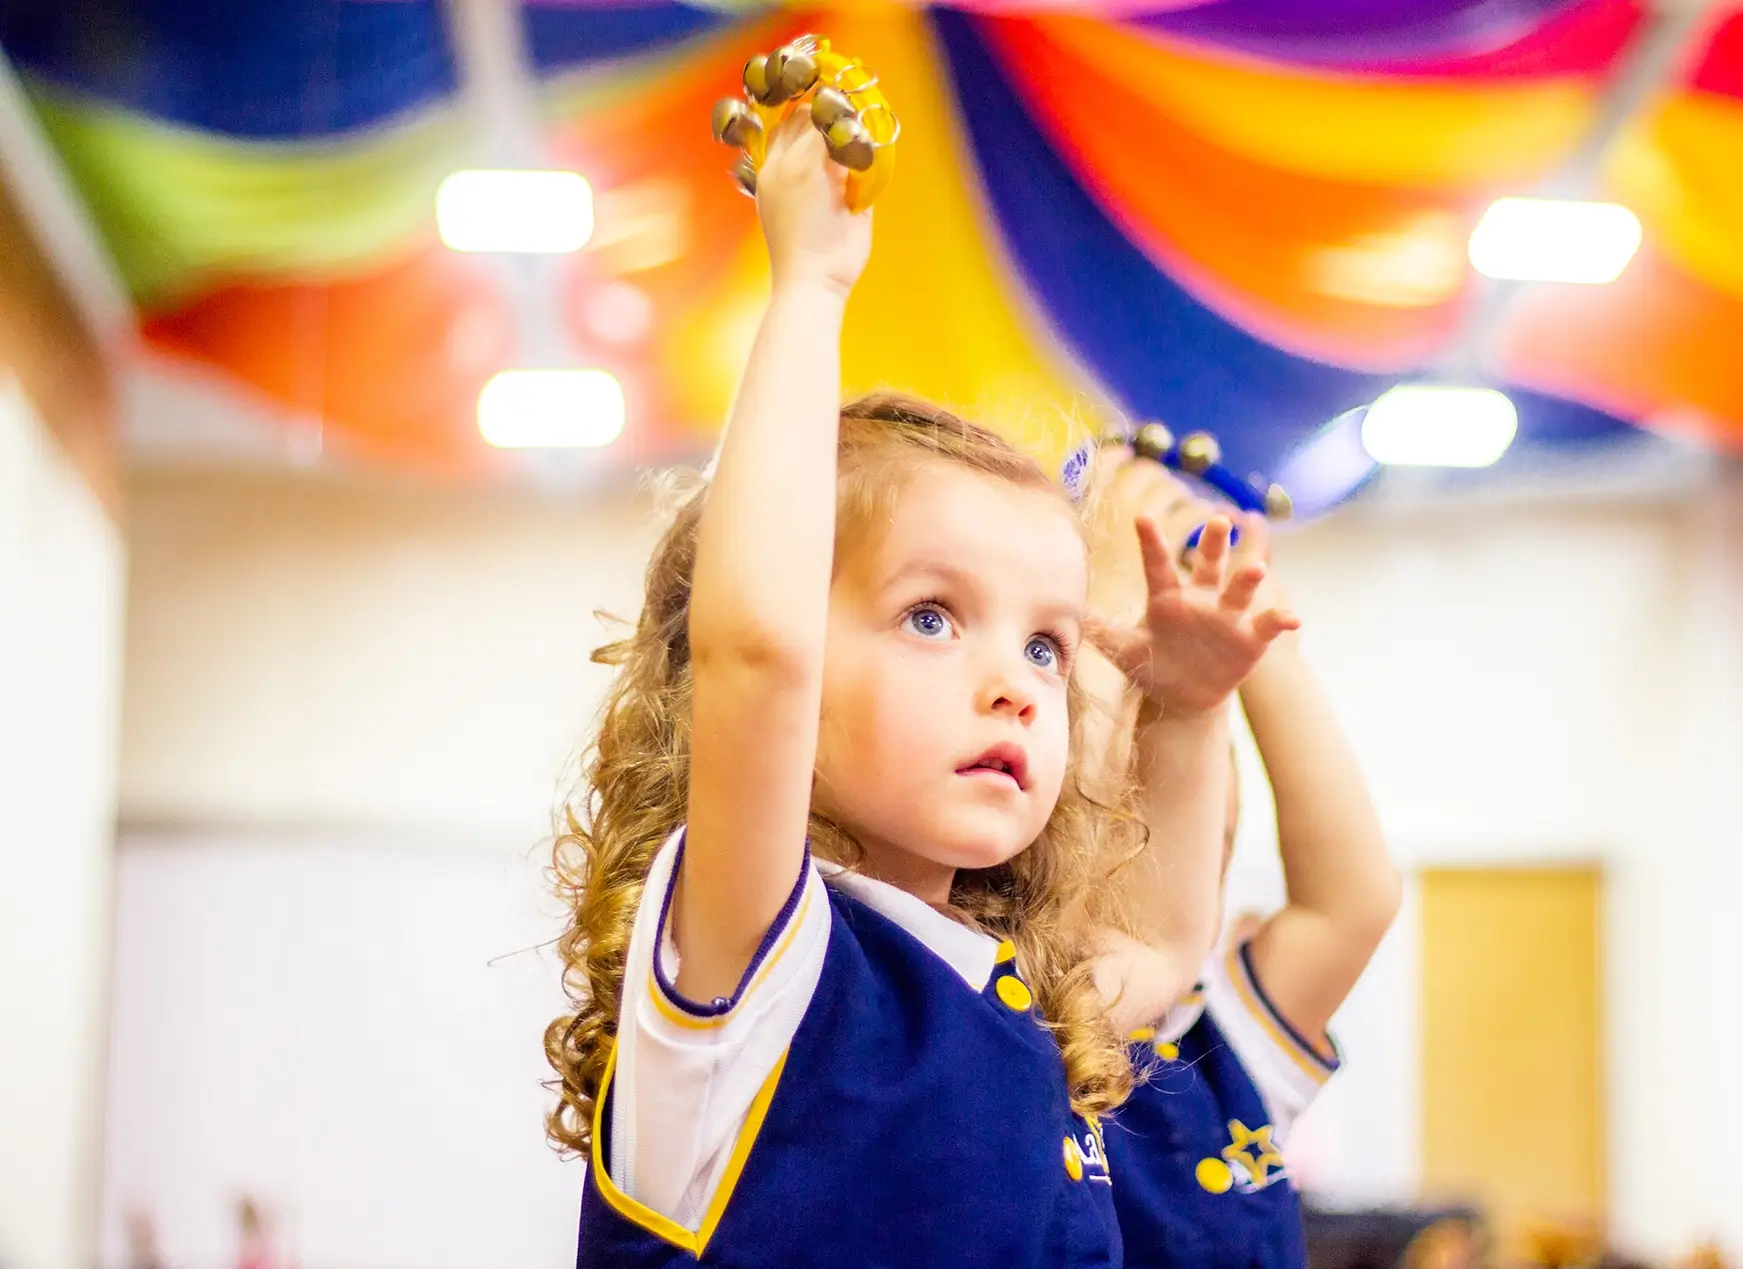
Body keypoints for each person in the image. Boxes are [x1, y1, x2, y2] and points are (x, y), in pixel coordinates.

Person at [543, 106, 1295, 1268]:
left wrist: (1187, 707)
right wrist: (809, 283)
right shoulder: (758, 963)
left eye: (1048, 645)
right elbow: (757, 656)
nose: (1017, 686)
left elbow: (1160, 936)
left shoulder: (1010, 996)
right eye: (931, 616)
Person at [1090, 453, 1402, 1269]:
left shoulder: (1220, 1031)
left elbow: (1357, 897)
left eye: (1207, 770)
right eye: (1151, 774)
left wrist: (1253, 631)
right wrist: (1116, 585)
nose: (1192, 802)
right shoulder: (1008, 1011)